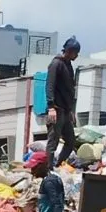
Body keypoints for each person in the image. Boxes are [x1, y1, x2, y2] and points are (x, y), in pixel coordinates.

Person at [45, 36, 80, 169]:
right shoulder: (56, 64)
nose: (76, 56)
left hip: (65, 111)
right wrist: (51, 107)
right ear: (69, 51)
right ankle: (48, 170)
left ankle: (58, 165)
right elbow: (50, 85)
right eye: (75, 52)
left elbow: (69, 90)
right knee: (53, 141)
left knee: (70, 141)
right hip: (56, 109)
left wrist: (70, 110)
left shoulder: (68, 66)